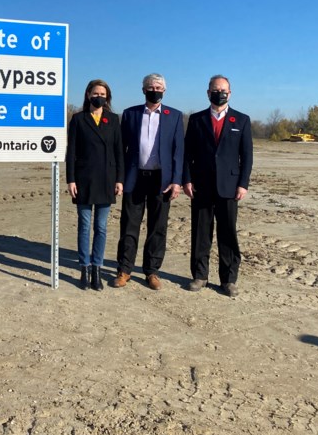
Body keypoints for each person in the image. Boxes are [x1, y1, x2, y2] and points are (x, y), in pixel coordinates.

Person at [111, 73, 184, 291]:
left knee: (157, 228)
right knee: (129, 226)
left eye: (159, 86)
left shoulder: (175, 116)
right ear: (143, 90)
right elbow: (121, 150)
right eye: (151, 86)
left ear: (165, 90)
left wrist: (177, 181)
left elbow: (178, 151)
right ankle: (124, 270)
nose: (155, 89)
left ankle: (152, 271)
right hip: (135, 178)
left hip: (161, 180)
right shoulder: (130, 114)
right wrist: (119, 178)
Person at [182, 74, 253, 297]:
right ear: (208, 92)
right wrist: (187, 179)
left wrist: (243, 184)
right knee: (201, 232)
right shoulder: (196, 119)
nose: (219, 93)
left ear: (230, 93)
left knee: (227, 233)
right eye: (215, 89)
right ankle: (200, 275)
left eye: (223, 90)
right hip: (201, 186)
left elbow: (247, 156)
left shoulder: (241, 120)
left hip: (229, 187)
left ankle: (229, 279)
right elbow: (187, 154)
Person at [65, 79, 123, 291]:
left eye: (103, 93)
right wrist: (70, 179)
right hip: (83, 180)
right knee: (84, 225)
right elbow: (71, 151)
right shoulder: (79, 119)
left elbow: (119, 152)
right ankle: (84, 268)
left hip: (107, 180)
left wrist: (120, 179)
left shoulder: (113, 119)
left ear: (107, 97)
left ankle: (97, 269)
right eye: (95, 92)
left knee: (101, 227)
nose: (99, 96)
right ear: (88, 94)